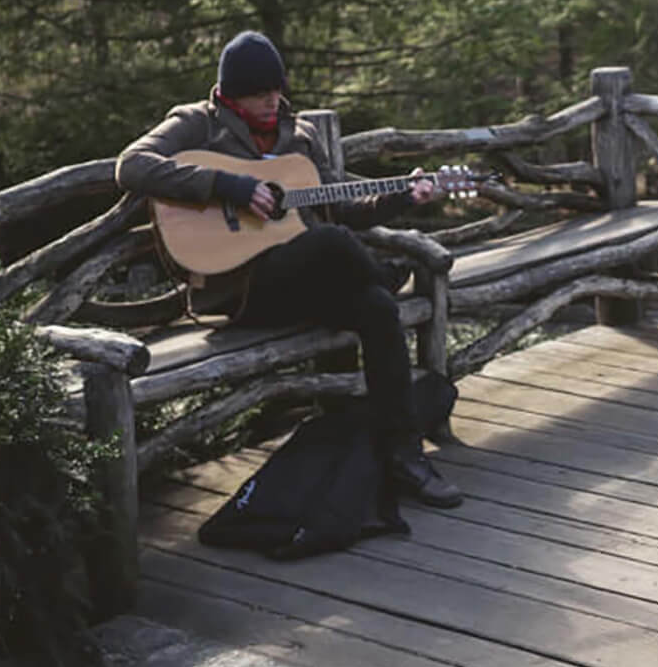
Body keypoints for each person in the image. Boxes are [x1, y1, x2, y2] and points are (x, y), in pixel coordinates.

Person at [116, 30, 463, 512]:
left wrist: (404, 194)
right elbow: (132, 165)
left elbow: (341, 206)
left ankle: (405, 456)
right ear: (230, 92)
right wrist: (229, 186)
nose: (272, 101)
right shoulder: (196, 124)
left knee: (378, 307)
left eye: (276, 90)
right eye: (260, 94)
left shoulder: (300, 133)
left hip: (306, 280)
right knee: (334, 245)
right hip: (240, 290)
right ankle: (380, 272)